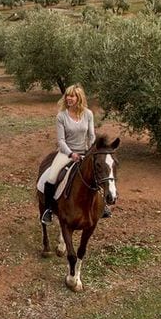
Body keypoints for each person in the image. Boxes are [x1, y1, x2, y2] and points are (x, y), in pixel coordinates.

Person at [40, 84, 108, 225]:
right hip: (66, 153)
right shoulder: (61, 116)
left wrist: (92, 152)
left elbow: (91, 135)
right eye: (67, 96)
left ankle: (104, 206)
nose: (69, 98)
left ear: (79, 98)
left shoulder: (88, 114)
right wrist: (71, 154)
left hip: (85, 152)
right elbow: (61, 140)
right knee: (52, 177)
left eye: (72, 96)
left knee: (98, 173)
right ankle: (48, 210)